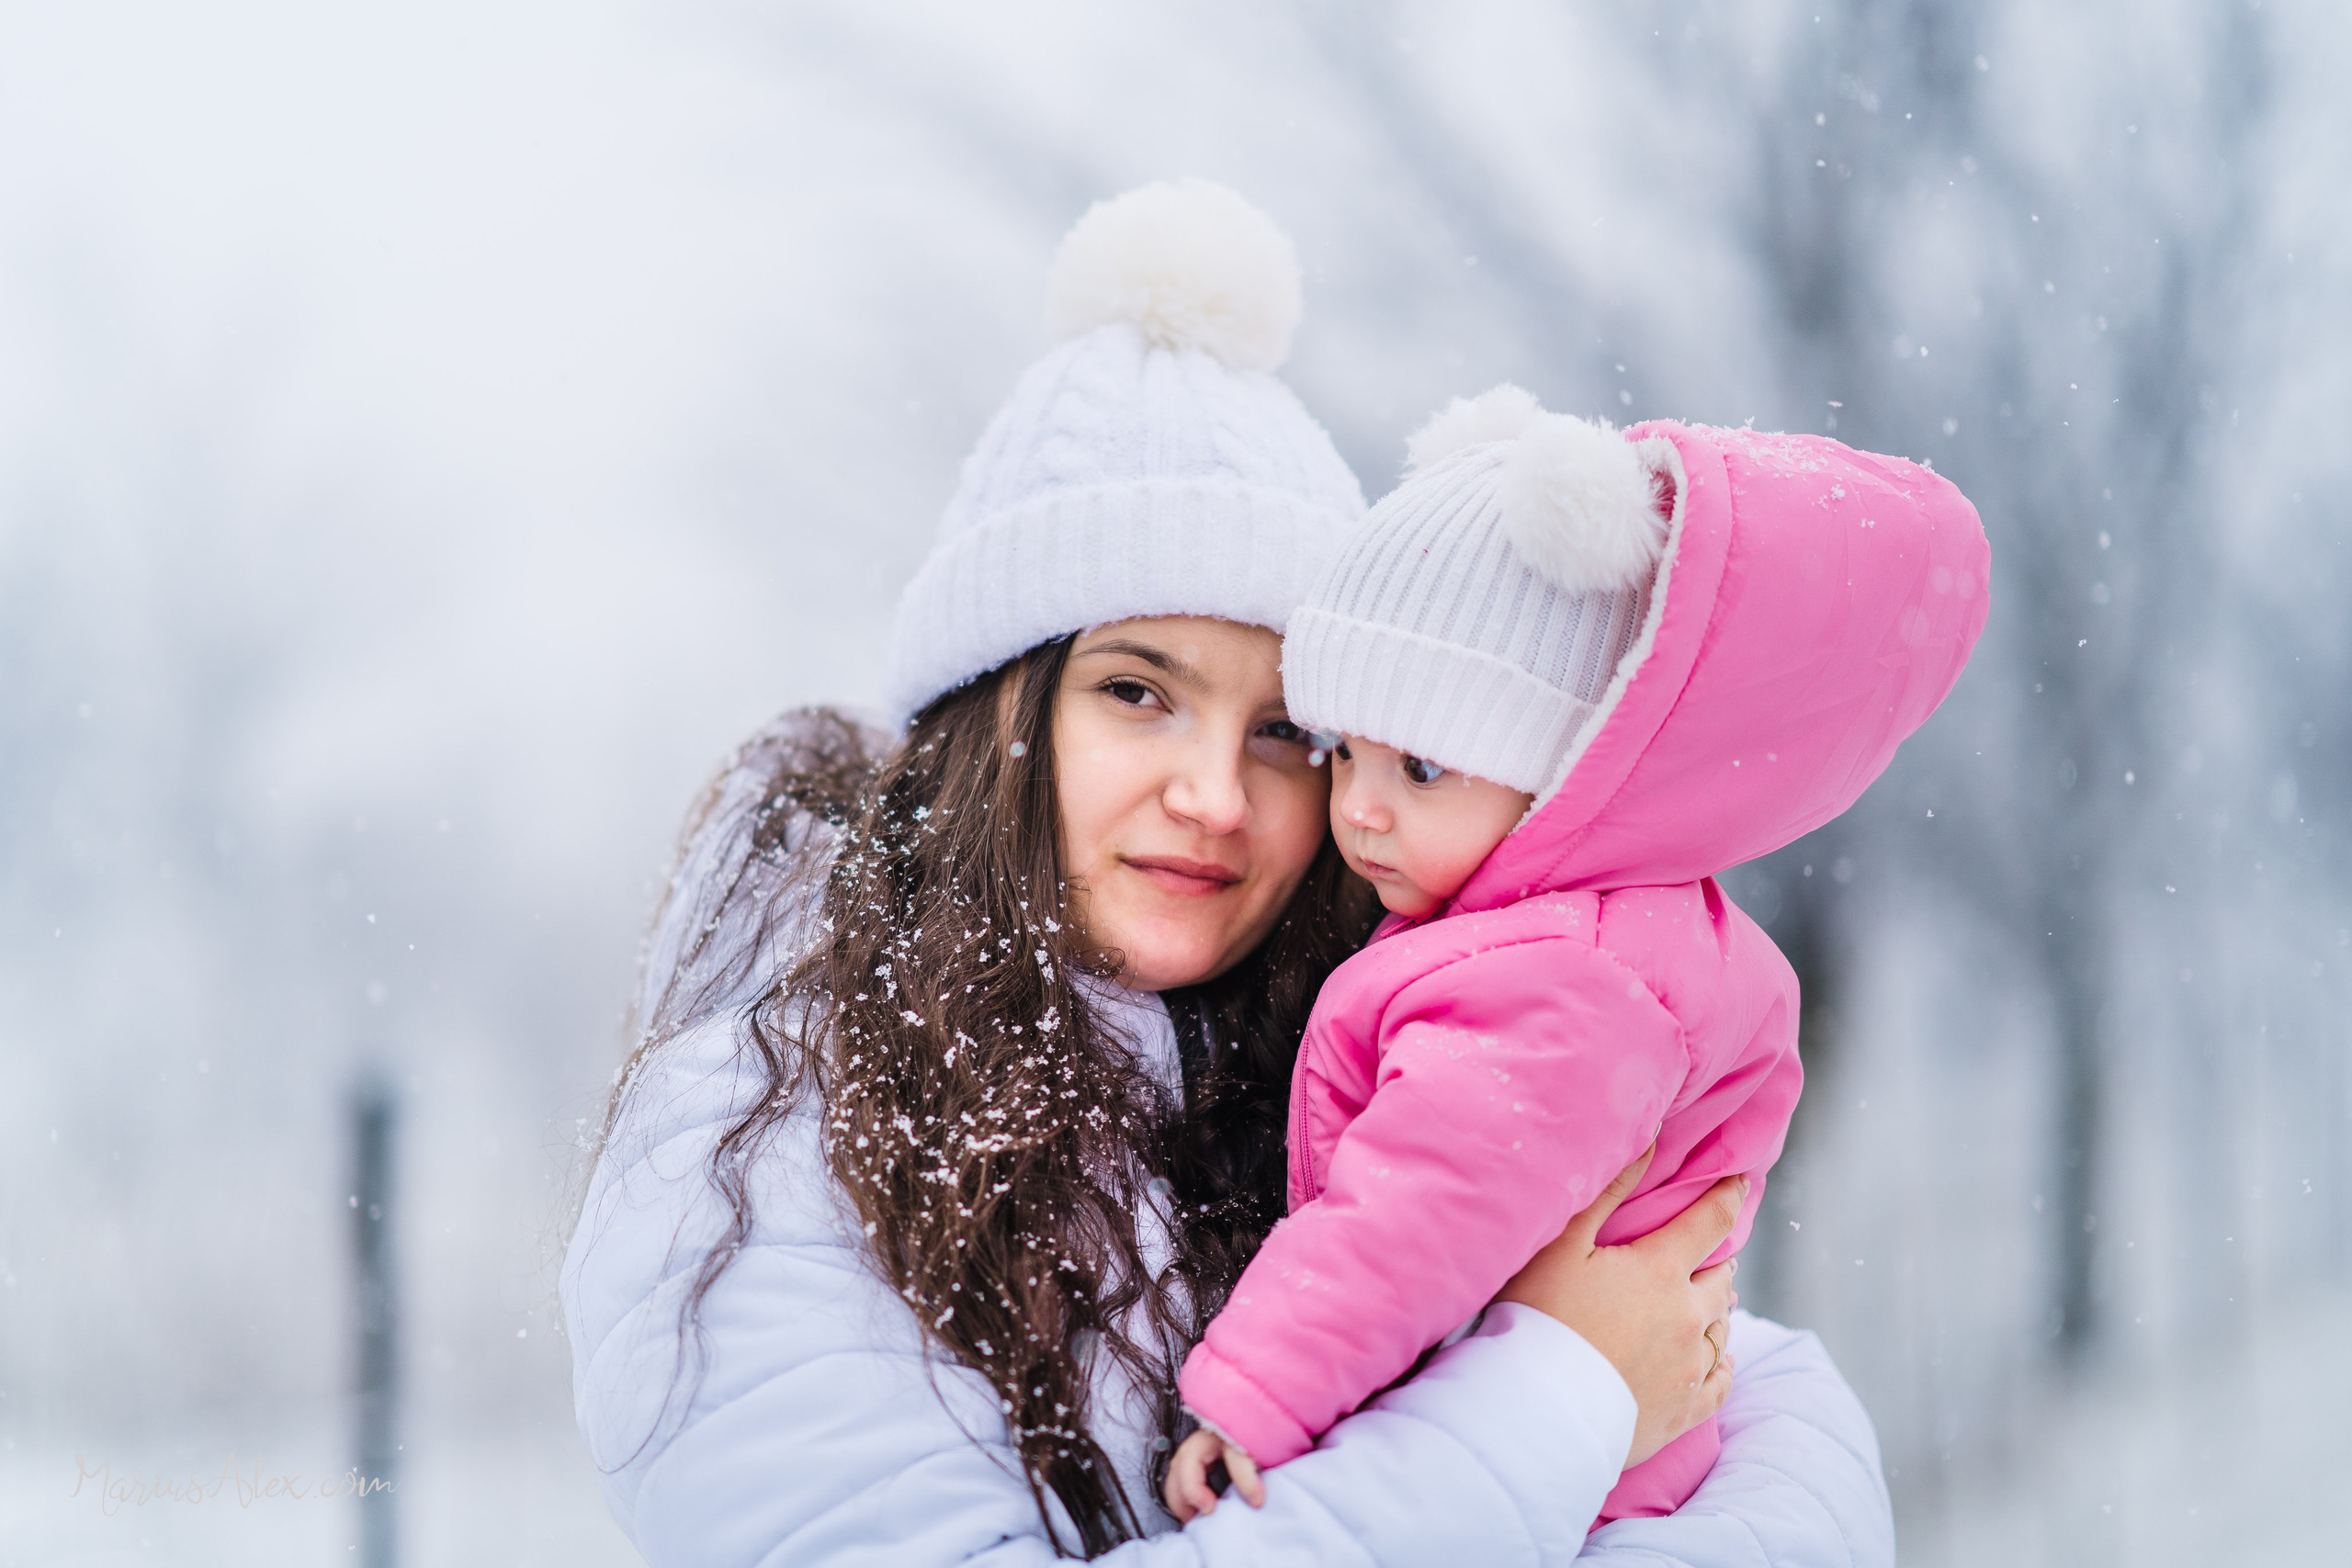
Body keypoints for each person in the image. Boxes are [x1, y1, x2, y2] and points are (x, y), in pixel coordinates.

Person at [561, 180, 1896, 1564]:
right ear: (989, 717)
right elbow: (1613, 1365)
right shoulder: (761, 1133)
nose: (1215, 797)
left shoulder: (1348, 1049)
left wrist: (1598, 1397)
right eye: (1138, 692)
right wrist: (1556, 1398)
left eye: (1288, 733)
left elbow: (1764, 1400)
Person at [1167, 388, 1990, 1524]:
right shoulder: (1580, 928)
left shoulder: (1557, 981)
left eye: (1421, 768)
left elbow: (1412, 1220)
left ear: (1559, 772)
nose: (1357, 808)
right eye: (1342, 750)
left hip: (1562, 1480)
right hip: (1562, 1453)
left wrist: (1259, 1397)